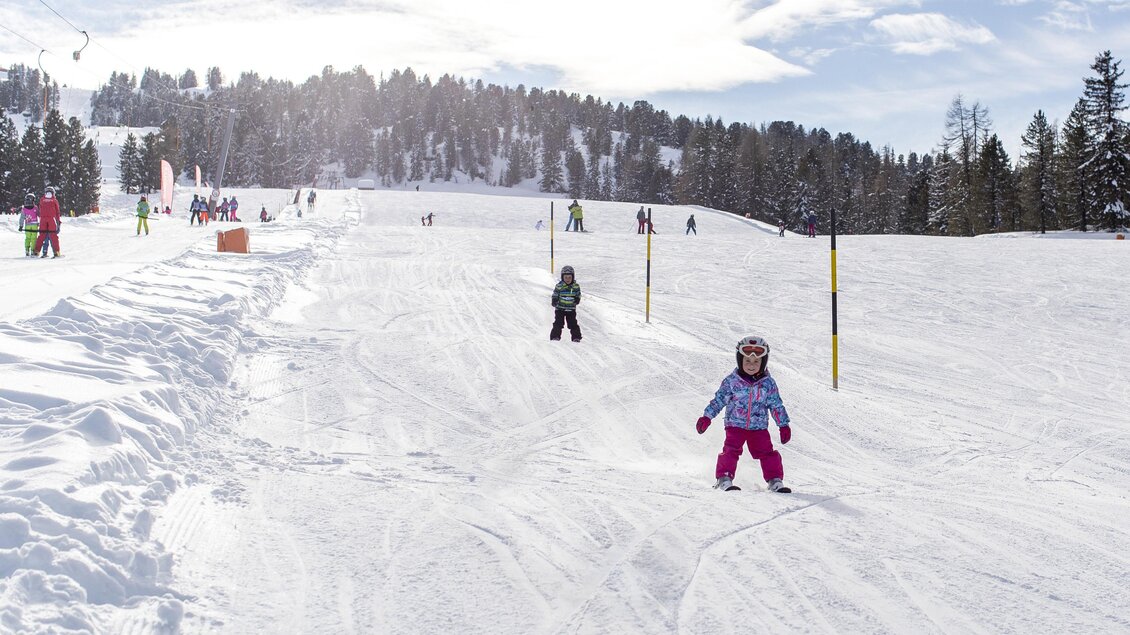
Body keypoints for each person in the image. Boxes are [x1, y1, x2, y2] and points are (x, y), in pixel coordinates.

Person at [696, 336, 792, 493]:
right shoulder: (732, 381)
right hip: (735, 425)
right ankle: (724, 478)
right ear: (740, 360)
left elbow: (776, 405)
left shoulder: (768, 383)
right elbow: (719, 400)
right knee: (731, 450)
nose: (751, 365)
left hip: (758, 427)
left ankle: (775, 480)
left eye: (756, 362)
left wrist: (783, 425)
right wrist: (707, 417)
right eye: (747, 361)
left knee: (767, 453)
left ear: (763, 362)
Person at [550, 265, 582, 342]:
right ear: (562, 277)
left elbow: (578, 294)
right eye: (566, 277)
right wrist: (554, 300)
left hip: (571, 309)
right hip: (560, 308)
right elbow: (555, 294)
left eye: (569, 277)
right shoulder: (559, 286)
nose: (568, 279)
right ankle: (555, 336)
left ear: (573, 277)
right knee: (558, 323)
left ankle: (576, 337)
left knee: (573, 323)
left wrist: (577, 299)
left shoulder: (576, 286)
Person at [34, 186, 62, 258]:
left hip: (43, 220)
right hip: (52, 219)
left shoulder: (42, 200)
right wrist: (58, 222)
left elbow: (40, 210)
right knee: (53, 236)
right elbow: (57, 212)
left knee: (41, 236)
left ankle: (36, 252)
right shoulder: (54, 200)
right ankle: (56, 252)